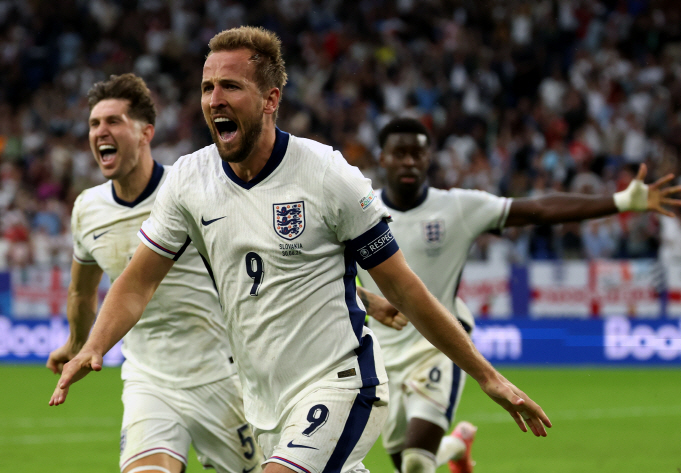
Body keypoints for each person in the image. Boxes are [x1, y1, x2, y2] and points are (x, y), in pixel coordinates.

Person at [50, 27, 551, 473]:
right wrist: (93, 345)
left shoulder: (328, 175)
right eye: (207, 87)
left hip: (340, 385)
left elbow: (404, 286)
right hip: (261, 402)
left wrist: (486, 375)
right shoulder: (189, 180)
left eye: (230, 86)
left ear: (270, 99)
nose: (214, 99)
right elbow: (138, 282)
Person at [356, 117, 681, 473]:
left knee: (417, 463)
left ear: (429, 158)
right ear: (382, 158)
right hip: (379, 351)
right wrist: (366, 299)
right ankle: (458, 444)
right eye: (399, 153)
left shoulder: (458, 207)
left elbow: (539, 209)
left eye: (417, 153)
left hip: (439, 346)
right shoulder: (360, 210)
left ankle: (445, 448)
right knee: (407, 463)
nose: (409, 161)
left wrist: (619, 200)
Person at [46, 73, 261, 473]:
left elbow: (265, 262)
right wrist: (77, 342)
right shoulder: (87, 207)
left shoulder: (192, 191)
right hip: (149, 378)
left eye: (113, 121)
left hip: (222, 374)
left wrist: (362, 297)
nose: (100, 131)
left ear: (146, 132)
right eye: (94, 123)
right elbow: (80, 293)